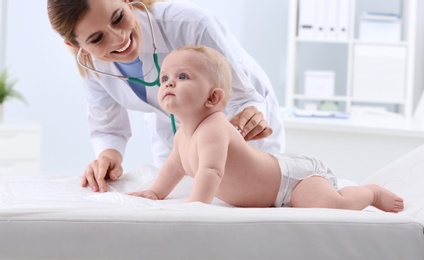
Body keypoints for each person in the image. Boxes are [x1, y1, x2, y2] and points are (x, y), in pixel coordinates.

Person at [129, 45, 404, 213]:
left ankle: (370, 192)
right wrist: (156, 192)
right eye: (165, 77)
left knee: (334, 205)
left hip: (291, 182)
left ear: (213, 98)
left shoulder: (214, 127)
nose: (168, 83)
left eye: (183, 76)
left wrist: (194, 208)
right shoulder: (182, 135)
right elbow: (174, 168)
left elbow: (210, 172)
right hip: (274, 182)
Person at [47, 0, 285, 193]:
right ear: (77, 46)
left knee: (248, 202)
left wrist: (250, 116)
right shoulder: (92, 65)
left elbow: (242, 97)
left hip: (238, 128)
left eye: (118, 18)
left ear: (128, 1)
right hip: (173, 139)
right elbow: (108, 129)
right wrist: (107, 157)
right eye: (97, 38)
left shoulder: (190, 24)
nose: (119, 38)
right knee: (174, 208)